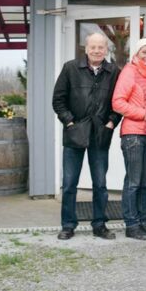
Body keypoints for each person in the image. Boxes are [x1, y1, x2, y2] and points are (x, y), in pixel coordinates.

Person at [52, 32, 121, 241]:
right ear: (86, 48)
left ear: (106, 50)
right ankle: (68, 225)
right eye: (93, 47)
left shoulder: (114, 71)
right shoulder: (70, 68)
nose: (97, 51)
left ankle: (99, 224)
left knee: (100, 183)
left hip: (100, 134)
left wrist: (111, 122)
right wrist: (70, 122)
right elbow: (58, 100)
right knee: (70, 182)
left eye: (101, 47)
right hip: (75, 134)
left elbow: (119, 101)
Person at [112, 38, 146, 240]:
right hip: (134, 134)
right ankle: (132, 224)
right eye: (145, 52)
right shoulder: (129, 71)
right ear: (137, 53)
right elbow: (117, 102)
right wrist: (142, 114)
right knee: (133, 182)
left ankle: (144, 221)